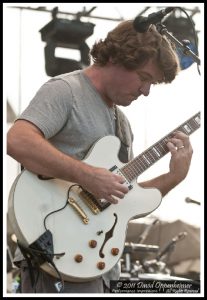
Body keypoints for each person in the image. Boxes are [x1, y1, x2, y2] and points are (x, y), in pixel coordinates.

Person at [7, 20, 193, 293]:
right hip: (54, 254)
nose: (146, 91)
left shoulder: (123, 124)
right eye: (144, 78)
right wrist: (88, 176)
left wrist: (175, 176)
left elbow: (124, 200)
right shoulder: (66, 90)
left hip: (101, 264)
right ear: (119, 58)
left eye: (151, 83)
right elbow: (17, 140)